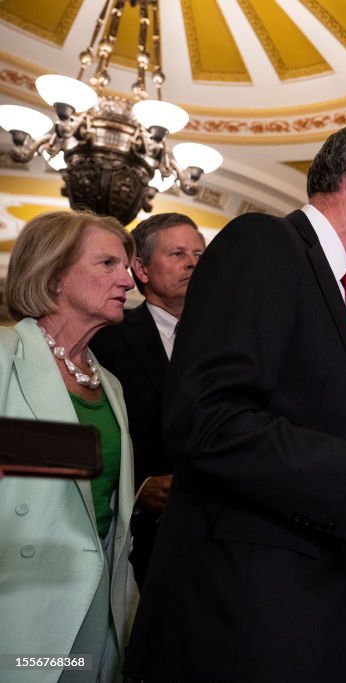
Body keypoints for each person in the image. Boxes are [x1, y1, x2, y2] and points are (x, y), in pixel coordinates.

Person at [123, 123, 346, 682]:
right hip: (245, 620)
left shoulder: (335, 285)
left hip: (304, 611)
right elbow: (208, 422)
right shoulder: (263, 243)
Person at [0, 209, 138, 682]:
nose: (128, 281)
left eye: (126, 266)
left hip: (97, 599)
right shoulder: (4, 356)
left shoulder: (111, 385)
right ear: (54, 275)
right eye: (107, 264)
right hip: (19, 602)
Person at [90, 212, 205, 586]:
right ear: (140, 269)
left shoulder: (231, 339)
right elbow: (91, 435)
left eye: (199, 255)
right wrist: (137, 489)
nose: (192, 262)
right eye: (177, 253)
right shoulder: (105, 338)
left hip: (216, 537)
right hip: (139, 542)